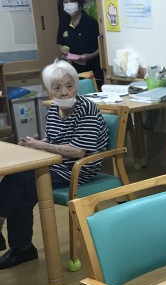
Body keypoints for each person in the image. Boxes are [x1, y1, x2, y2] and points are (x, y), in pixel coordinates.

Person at [0, 60, 109, 270]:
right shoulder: (53, 110)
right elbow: (53, 139)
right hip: (56, 165)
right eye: (57, 88)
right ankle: (22, 249)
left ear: (76, 85)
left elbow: (78, 151)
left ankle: (17, 244)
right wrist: (36, 143)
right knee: (20, 189)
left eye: (69, 86)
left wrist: (41, 145)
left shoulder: (86, 108)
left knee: (20, 179)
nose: (65, 92)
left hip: (78, 169)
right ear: (49, 91)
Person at [56, 0, 104, 86]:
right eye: (66, 2)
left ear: (79, 3)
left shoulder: (90, 23)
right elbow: (60, 42)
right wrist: (62, 49)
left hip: (92, 70)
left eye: (72, 1)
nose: (68, 5)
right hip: (72, 70)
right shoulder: (64, 21)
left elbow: (102, 46)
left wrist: (90, 56)